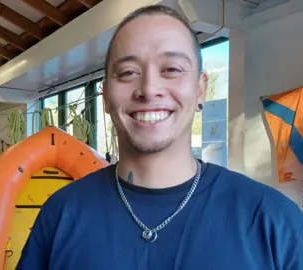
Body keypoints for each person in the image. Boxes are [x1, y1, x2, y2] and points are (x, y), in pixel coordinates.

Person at [17, 5, 303, 270]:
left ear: (201, 89)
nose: (150, 88)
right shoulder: (61, 214)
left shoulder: (273, 220)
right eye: (128, 72)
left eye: (172, 70)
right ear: (105, 97)